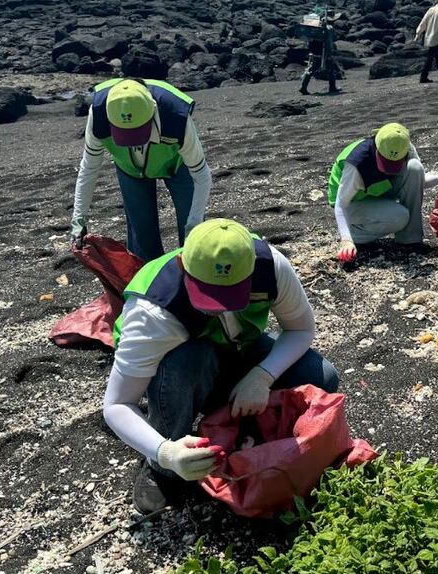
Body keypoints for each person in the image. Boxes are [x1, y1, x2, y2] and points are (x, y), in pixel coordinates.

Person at [102, 218, 340, 513]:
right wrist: (165, 453)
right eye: (209, 298)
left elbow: (300, 330)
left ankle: (246, 431)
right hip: (184, 365)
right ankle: (161, 469)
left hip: (240, 346)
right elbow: (117, 404)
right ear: (182, 266)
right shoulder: (152, 313)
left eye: (232, 296)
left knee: (321, 377)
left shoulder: (272, 266)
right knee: (188, 360)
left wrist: (262, 377)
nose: (223, 308)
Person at [70, 78, 212, 262]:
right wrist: (78, 220)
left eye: (138, 132)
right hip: (129, 167)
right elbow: (89, 168)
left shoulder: (175, 115)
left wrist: (194, 224)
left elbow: (201, 174)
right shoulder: (98, 115)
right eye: (125, 135)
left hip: (177, 163)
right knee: (142, 233)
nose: (134, 142)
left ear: (153, 110)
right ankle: (148, 280)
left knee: (193, 234)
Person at [328, 122, 438, 262]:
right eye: (385, 162)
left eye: (395, 163)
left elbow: (416, 181)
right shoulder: (357, 163)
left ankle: (410, 240)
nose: (388, 169)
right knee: (399, 216)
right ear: (377, 149)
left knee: (415, 167)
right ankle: (354, 235)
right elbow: (341, 203)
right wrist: (346, 240)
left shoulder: (405, 148)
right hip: (352, 203)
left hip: (379, 191)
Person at [299, 8, 340, 95]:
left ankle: (303, 86)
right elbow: (331, 41)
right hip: (323, 52)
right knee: (331, 69)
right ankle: (332, 87)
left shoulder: (318, 28)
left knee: (311, 68)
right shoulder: (329, 28)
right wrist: (329, 53)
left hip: (314, 51)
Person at [415, 0, 438, 84]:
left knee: (437, 54)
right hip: (435, 37)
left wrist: (418, 33)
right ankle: (423, 77)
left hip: (429, 36)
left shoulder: (431, 9)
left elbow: (423, 22)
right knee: (430, 58)